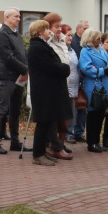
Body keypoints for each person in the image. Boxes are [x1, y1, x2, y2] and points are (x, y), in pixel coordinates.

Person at [26, 20, 71, 166]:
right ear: (40, 31)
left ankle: (42, 152)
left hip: (48, 90)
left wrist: (62, 67)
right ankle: (38, 154)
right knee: (43, 123)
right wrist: (65, 69)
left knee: (47, 122)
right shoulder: (37, 47)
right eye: (46, 29)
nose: (49, 32)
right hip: (43, 91)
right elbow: (52, 66)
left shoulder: (42, 45)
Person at [0, 8, 28, 155]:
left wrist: (26, 69)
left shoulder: (16, 34)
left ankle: (15, 142)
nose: (19, 19)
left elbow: (22, 54)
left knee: (15, 111)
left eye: (19, 16)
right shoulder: (2, 34)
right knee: (1, 110)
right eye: (16, 16)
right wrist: (25, 69)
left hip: (19, 78)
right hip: (7, 77)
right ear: (7, 17)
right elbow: (7, 57)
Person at [78, 28, 108, 153]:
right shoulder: (85, 51)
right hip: (93, 85)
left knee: (100, 114)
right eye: (97, 38)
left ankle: (97, 141)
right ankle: (91, 142)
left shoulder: (101, 49)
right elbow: (86, 68)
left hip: (104, 84)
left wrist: (107, 67)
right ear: (90, 39)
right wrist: (102, 70)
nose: (100, 40)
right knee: (93, 114)